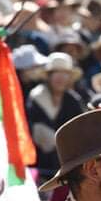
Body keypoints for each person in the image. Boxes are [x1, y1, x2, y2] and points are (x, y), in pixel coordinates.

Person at [25, 52, 85, 183]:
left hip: (67, 162)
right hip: (39, 163)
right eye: (56, 73)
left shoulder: (73, 100)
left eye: (64, 73)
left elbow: (79, 129)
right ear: (48, 76)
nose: (60, 78)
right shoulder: (37, 97)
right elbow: (39, 133)